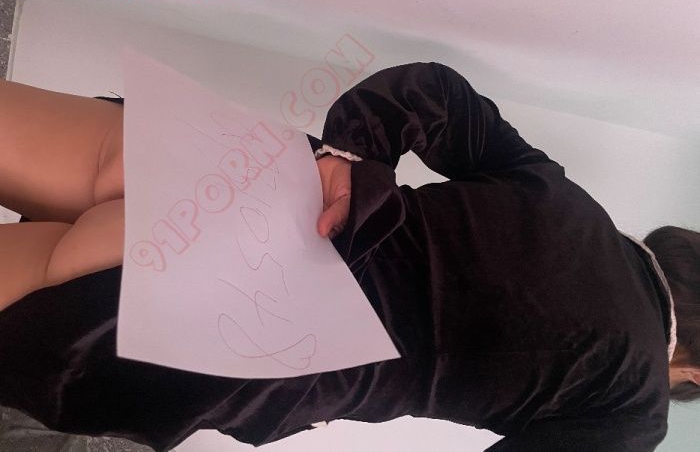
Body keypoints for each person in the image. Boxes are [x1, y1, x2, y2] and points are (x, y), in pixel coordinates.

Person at [0, 62, 698, 451]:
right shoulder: (634, 410)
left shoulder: (564, 196)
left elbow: (437, 93)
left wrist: (352, 150)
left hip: (249, 181)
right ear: (694, 370)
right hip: (247, 335)